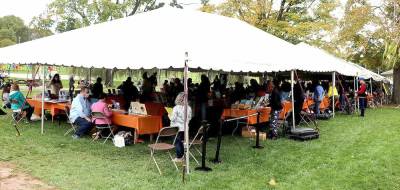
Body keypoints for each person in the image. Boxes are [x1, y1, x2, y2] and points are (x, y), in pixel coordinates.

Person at [171, 92, 192, 162]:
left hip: (177, 128)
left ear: (178, 99)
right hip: (185, 128)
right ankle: (183, 156)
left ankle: (179, 157)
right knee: (183, 142)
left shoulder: (176, 108)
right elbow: (190, 118)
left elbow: (173, 118)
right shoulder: (189, 108)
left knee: (177, 142)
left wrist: (169, 116)